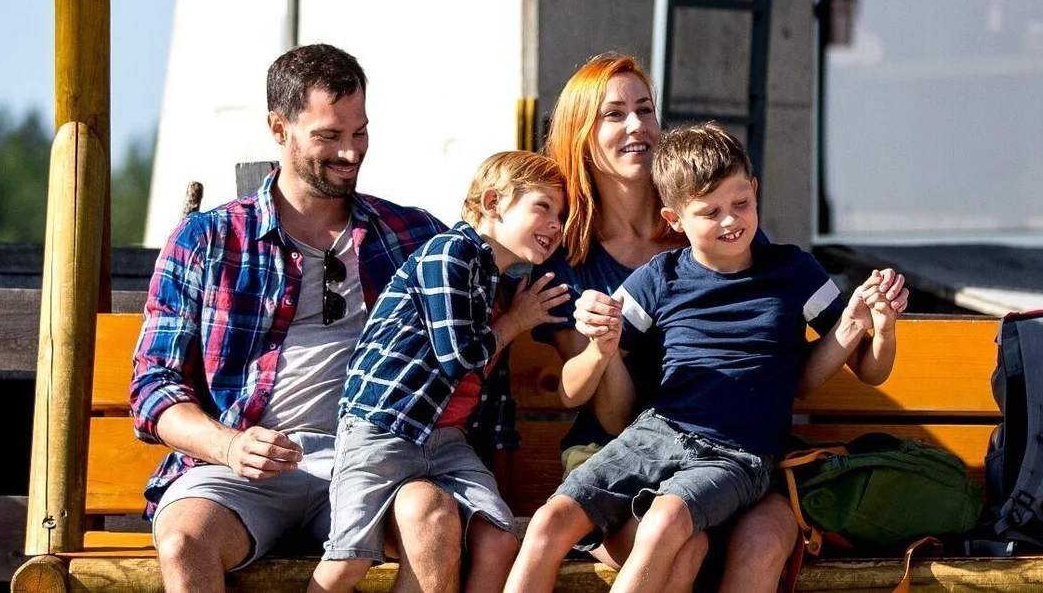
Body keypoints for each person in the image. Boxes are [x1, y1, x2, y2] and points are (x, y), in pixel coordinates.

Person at [504, 122, 909, 593]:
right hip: (656, 431)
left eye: (741, 203)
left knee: (664, 522)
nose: (730, 221)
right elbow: (575, 388)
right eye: (709, 212)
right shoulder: (661, 275)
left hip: (739, 453)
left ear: (755, 190)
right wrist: (600, 343)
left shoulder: (793, 271)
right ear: (675, 220)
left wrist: (880, 325)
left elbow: (870, 368)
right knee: (549, 520)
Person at [129, 43, 455, 593]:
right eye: (329, 136)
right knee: (185, 541)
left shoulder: (412, 236)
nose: (351, 153)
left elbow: (494, 278)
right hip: (243, 467)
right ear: (278, 128)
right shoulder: (207, 239)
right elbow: (153, 387)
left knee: (434, 520)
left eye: (360, 133)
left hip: (373, 465)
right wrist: (230, 445)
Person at [527, 53, 805, 590]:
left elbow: (781, 343)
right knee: (684, 544)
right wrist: (602, 347)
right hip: (620, 450)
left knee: (768, 535)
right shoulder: (569, 261)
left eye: (645, 109)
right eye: (614, 115)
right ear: (581, 135)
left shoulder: (713, 218)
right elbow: (611, 418)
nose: (637, 126)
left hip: (730, 448)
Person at [309, 151, 572, 593]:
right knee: (348, 561)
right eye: (543, 206)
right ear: (492, 202)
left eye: (561, 215)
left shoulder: (497, 283)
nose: (555, 224)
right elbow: (458, 356)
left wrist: (514, 314)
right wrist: (517, 322)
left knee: (500, 539)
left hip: (446, 440)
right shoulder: (449, 252)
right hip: (383, 427)